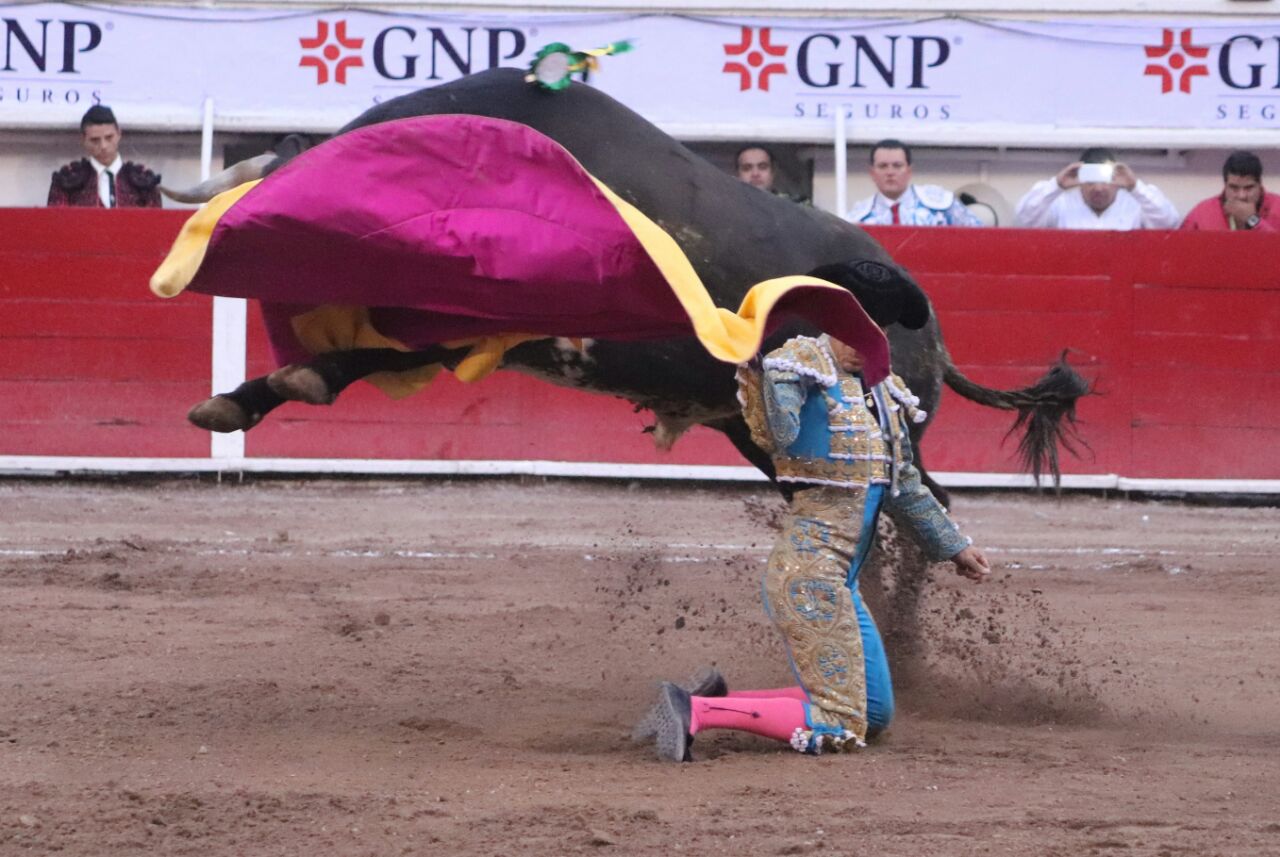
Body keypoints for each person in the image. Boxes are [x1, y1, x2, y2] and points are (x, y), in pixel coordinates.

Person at [642, 260, 991, 762]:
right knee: (841, 723)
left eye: (877, 332)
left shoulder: (881, 390)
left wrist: (953, 546)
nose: (865, 342)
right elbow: (777, 439)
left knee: (872, 717)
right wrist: (766, 372)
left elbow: (903, 483)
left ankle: (708, 700)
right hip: (808, 577)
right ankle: (694, 713)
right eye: (856, 329)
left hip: (839, 582)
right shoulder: (796, 365)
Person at [1014, 147, 1178, 230]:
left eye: (1105, 181)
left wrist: (1135, 187)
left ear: (1115, 177)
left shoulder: (1135, 202)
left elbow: (1169, 223)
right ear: (1081, 178)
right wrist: (1056, 185)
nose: (1098, 188)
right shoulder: (1061, 202)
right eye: (1091, 181)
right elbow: (1024, 220)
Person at [845, 139, 983, 227]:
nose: (890, 172)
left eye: (897, 165)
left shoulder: (941, 203)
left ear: (909, 170)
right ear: (872, 173)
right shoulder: (858, 218)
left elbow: (980, 236)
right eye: (883, 166)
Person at [47, 105, 162, 208]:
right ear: (83, 140)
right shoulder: (66, 180)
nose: (103, 146)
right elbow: (57, 227)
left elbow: (156, 227)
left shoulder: (144, 181)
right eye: (95, 140)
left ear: (119, 134)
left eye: (109, 138)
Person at [1180, 150, 1279, 232]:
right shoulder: (1202, 213)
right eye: (1234, 188)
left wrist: (1253, 220)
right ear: (1225, 185)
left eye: (1248, 188)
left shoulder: (1277, 208)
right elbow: (1180, 250)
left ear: (1260, 185)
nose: (1242, 196)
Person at [735, 143, 809, 204]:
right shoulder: (728, 207)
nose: (755, 174)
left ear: (773, 172)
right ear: (738, 175)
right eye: (747, 168)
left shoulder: (796, 206)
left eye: (762, 167)